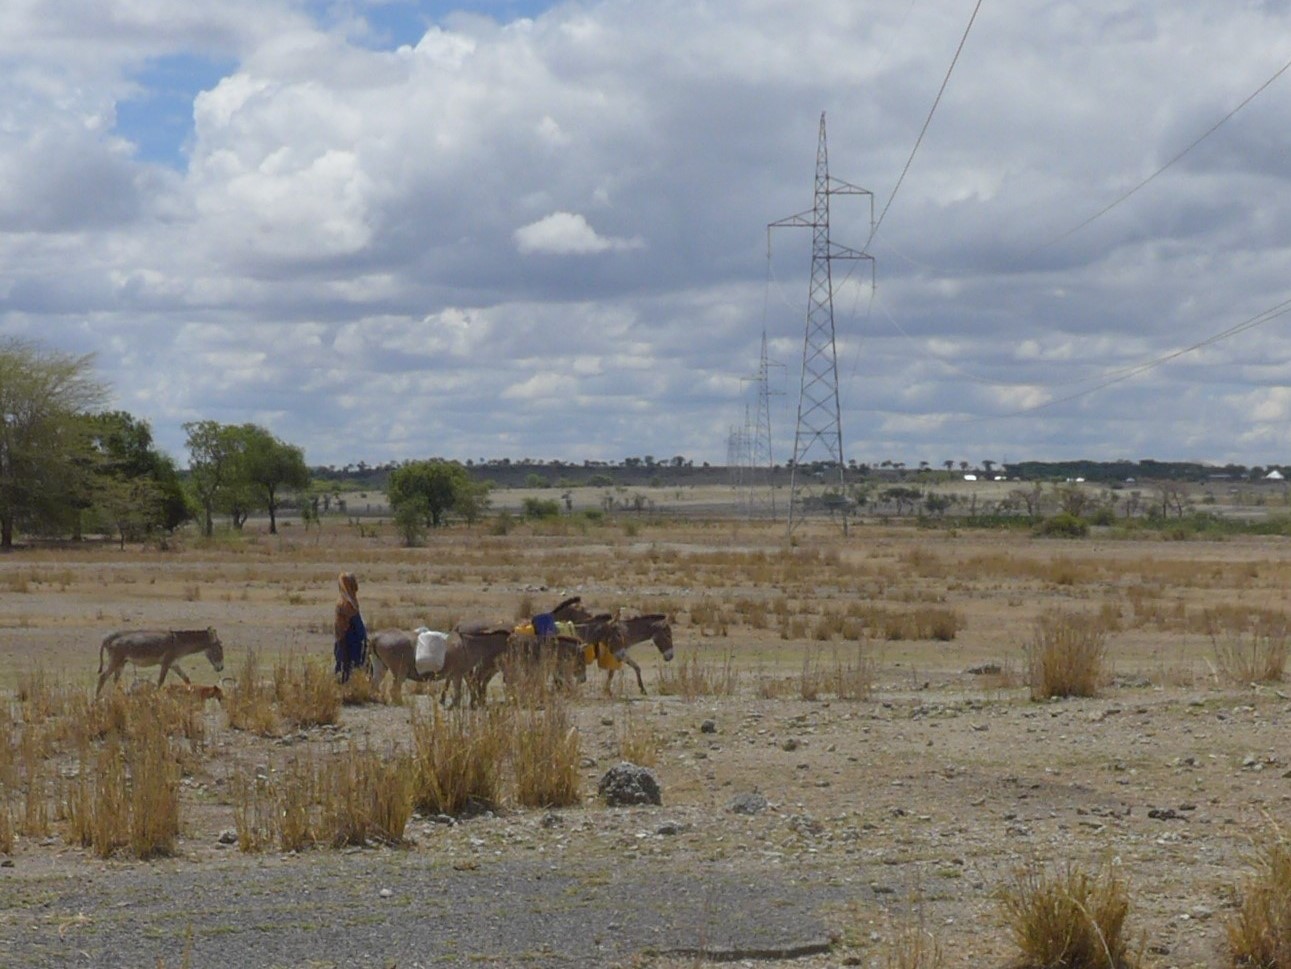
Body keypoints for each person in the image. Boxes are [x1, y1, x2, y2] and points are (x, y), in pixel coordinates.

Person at [333, 572, 367, 682]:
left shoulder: (349, 602)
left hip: (354, 639)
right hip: (348, 639)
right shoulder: (345, 602)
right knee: (345, 667)